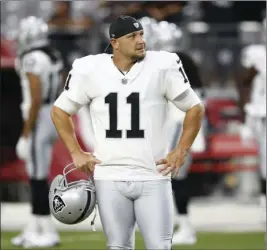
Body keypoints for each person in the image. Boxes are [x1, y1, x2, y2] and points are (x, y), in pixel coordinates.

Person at [51, 15, 205, 249]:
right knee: (118, 246)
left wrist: (181, 150)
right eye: (132, 36)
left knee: (160, 246)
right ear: (115, 43)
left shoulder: (163, 65)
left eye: (141, 34)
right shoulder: (90, 68)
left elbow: (195, 107)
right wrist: (75, 152)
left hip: (152, 174)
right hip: (109, 175)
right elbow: (59, 111)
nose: (141, 40)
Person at [12, 16, 64, 248]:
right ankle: (35, 227)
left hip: (40, 116)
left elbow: (34, 98)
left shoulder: (32, 58)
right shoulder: (53, 55)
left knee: (37, 178)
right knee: (39, 176)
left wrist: (25, 133)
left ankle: (48, 230)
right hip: (53, 113)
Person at [239, 18, 266, 222]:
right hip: (261, 115)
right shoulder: (257, 54)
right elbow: (244, 82)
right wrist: (246, 113)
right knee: (264, 164)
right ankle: (264, 204)